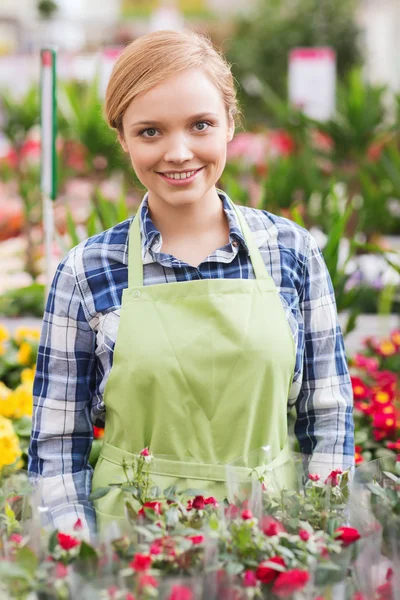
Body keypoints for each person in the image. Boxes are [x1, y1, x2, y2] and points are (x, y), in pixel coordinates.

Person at [28, 29, 354, 535]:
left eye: (200, 125)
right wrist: (83, 560)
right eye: (150, 132)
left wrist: (319, 542)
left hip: (270, 547)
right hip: (130, 553)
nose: (178, 152)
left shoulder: (291, 252)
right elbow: (55, 446)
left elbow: (328, 418)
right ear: (122, 138)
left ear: (230, 125)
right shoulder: (86, 271)